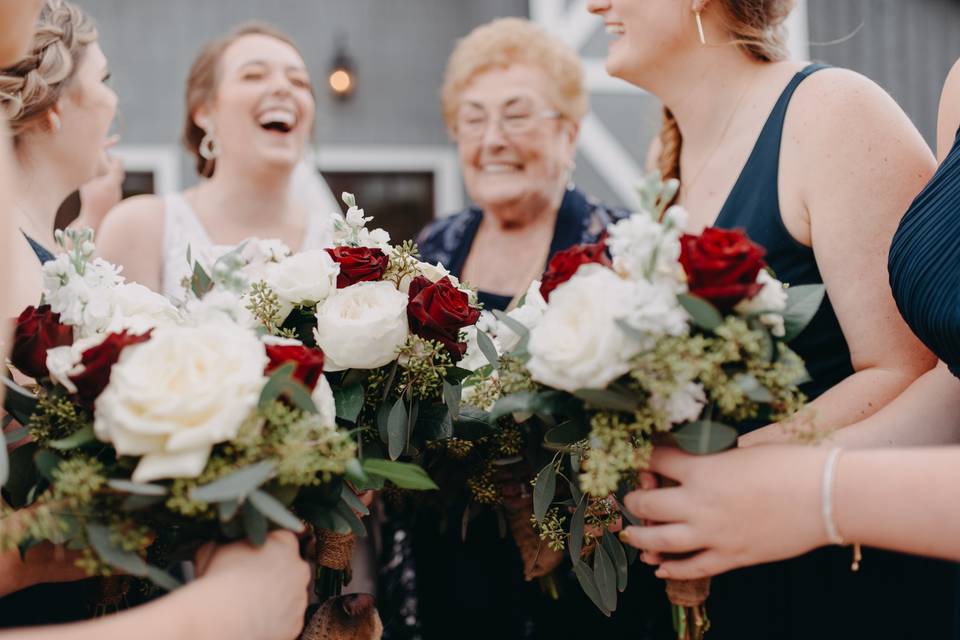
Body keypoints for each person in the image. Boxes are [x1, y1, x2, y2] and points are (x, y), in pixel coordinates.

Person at [584, 0, 954, 637]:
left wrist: (737, 470)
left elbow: (914, 368)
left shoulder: (831, 112)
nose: (595, 4)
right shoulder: (662, 159)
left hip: (856, 578)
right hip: (729, 568)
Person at [0, 4, 312, 637]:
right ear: (55, 104)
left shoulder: (49, 253)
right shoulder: (13, 246)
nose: (114, 104)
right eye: (105, 80)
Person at [400, 17, 670, 640]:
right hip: (454, 559)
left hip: (591, 561)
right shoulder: (433, 249)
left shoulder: (620, 246)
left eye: (517, 116)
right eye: (473, 119)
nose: (493, 139)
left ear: (569, 133)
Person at [97, 22, 332, 303]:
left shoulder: (343, 247)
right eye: (253, 75)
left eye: (299, 82)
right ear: (204, 111)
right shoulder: (139, 229)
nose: (284, 88)